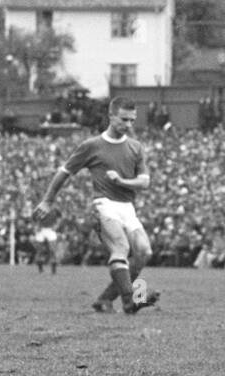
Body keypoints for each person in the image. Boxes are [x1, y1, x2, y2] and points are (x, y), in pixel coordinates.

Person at [33, 98, 160, 315]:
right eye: (124, 119)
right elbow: (64, 172)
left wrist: (121, 181)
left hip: (127, 207)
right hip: (104, 205)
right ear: (111, 117)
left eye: (132, 120)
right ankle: (131, 300)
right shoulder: (92, 146)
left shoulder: (135, 147)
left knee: (144, 252)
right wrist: (48, 200)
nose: (128, 125)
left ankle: (105, 300)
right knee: (121, 248)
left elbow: (145, 181)